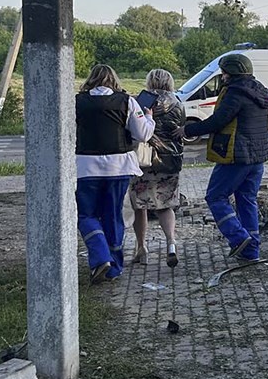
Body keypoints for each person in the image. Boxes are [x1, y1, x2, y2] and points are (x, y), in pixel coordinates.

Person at [181, 54, 268, 260]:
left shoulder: (235, 93)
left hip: (237, 155)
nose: (222, 76)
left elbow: (217, 121)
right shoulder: (260, 91)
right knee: (247, 199)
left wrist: (187, 130)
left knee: (215, 196)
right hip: (258, 156)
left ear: (232, 73)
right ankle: (251, 251)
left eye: (224, 72)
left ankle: (238, 237)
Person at [75, 64, 154, 284]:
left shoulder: (77, 102)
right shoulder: (127, 101)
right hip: (119, 168)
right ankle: (113, 267)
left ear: (91, 80)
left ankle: (100, 256)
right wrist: (149, 118)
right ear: (114, 80)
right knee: (113, 216)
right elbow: (143, 133)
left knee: (86, 215)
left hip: (85, 167)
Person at [129, 69, 185, 267]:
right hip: (170, 161)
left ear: (150, 81)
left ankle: (141, 248)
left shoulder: (141, 102)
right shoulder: (178, 103)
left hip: (145, 161)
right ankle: (171, 244)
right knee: (166, 204)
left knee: (140, 205)